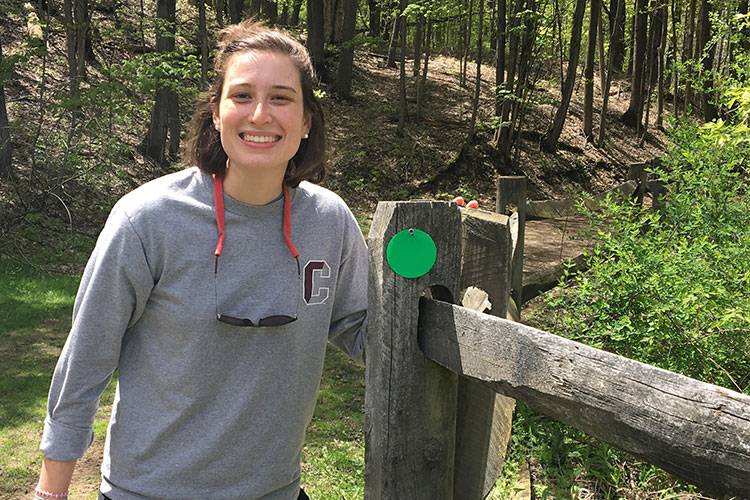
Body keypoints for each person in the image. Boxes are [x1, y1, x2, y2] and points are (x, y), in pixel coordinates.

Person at [34, 20, 367, 500]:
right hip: (147, 492)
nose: (260, 114)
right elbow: (88, 354)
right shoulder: (147, 219)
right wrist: (51, 489)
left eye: (280, 98)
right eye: (242, 96)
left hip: (276, 490)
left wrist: (438, 263)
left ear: (307, 119)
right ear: (216, 112)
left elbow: (368, 330)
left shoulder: (328, 221)